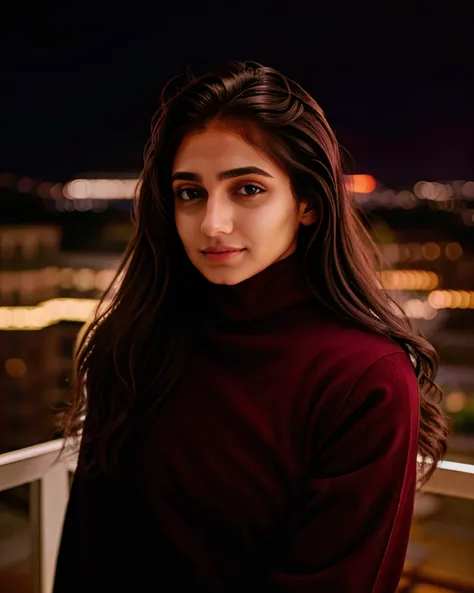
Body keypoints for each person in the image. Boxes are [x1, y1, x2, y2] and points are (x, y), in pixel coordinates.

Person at [54, 61, 448, 592]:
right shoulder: (132, 342)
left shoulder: (364, 379)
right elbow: (87, 557)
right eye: (190, 193)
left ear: (307, 202)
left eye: (248, 189)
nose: (213, 223)